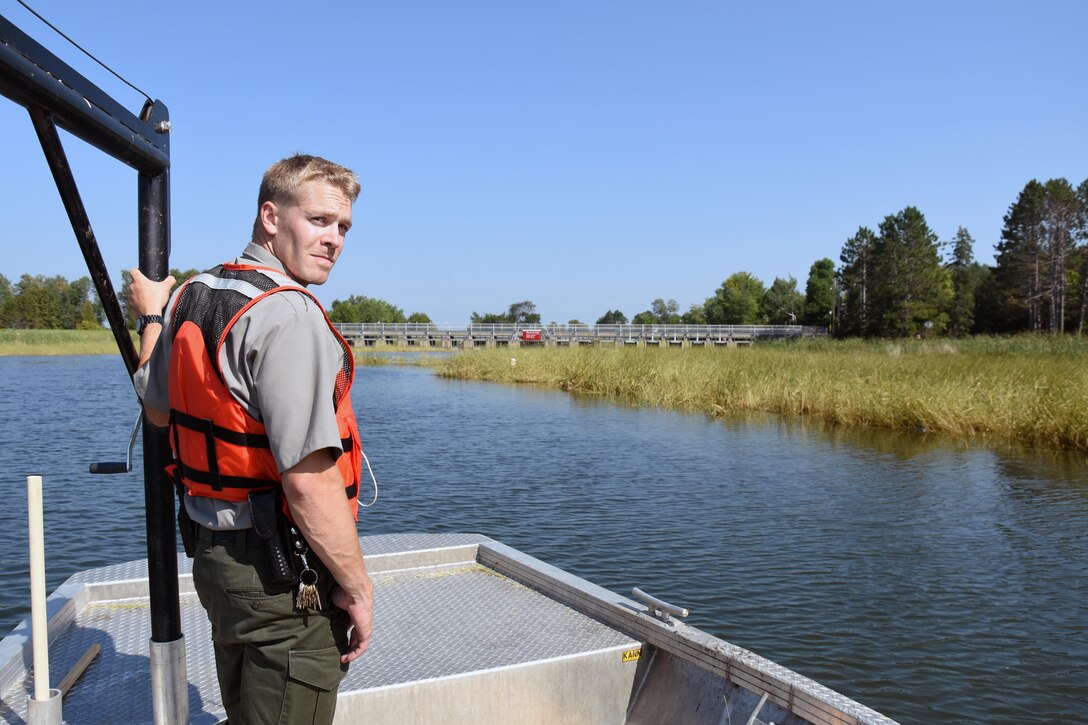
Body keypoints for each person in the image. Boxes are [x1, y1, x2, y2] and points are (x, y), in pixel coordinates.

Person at [130, 154, 374, 725]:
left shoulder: (193, 295)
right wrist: (358, 588)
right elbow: (309, 481)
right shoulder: (289, 316)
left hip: (218, 566)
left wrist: (151, 316)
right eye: (318, 220)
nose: (334, 240)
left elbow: (157, 407)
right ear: (271, 215)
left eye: (343, 228)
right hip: (283, 575)